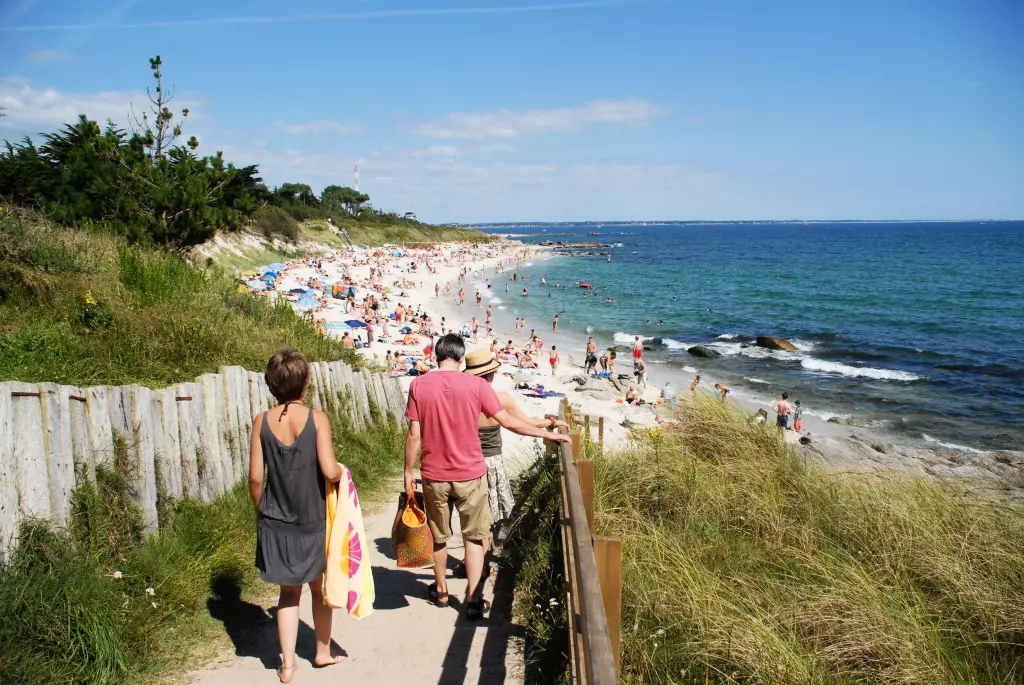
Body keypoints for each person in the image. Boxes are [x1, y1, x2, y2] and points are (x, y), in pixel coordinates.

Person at [403, 335, 569, 620]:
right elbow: (509, 422)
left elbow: (414, 434)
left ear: (437, 356)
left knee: (439, 537)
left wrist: (408, 472)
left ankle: (441, 591)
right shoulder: (478, 385)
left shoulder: (418, 385)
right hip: (470, 474)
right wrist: (548, 433)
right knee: (475, 536)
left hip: (434, 474)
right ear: (459, 358)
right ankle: (473, 600)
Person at [248, 349, 345, 683]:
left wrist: (262, 509)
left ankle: (287, 665)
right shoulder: (317, 419)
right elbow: (330, 469)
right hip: (312, 519)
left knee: (288, 594)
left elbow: (256, 479)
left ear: (272, 384)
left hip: (276, 520)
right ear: (305, 382)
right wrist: (344, 477)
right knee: (319, 590)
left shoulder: (261, 421)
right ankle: (321, 651)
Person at [462, 348, 567, 569]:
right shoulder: (500, 399)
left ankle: (469, 561)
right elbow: (524, 423)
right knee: (489, 517)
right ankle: (482, 563)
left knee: (471, 516)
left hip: (466, 462)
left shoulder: (462, 400)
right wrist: (550, 424)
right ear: (490, 375)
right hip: (491, 464)